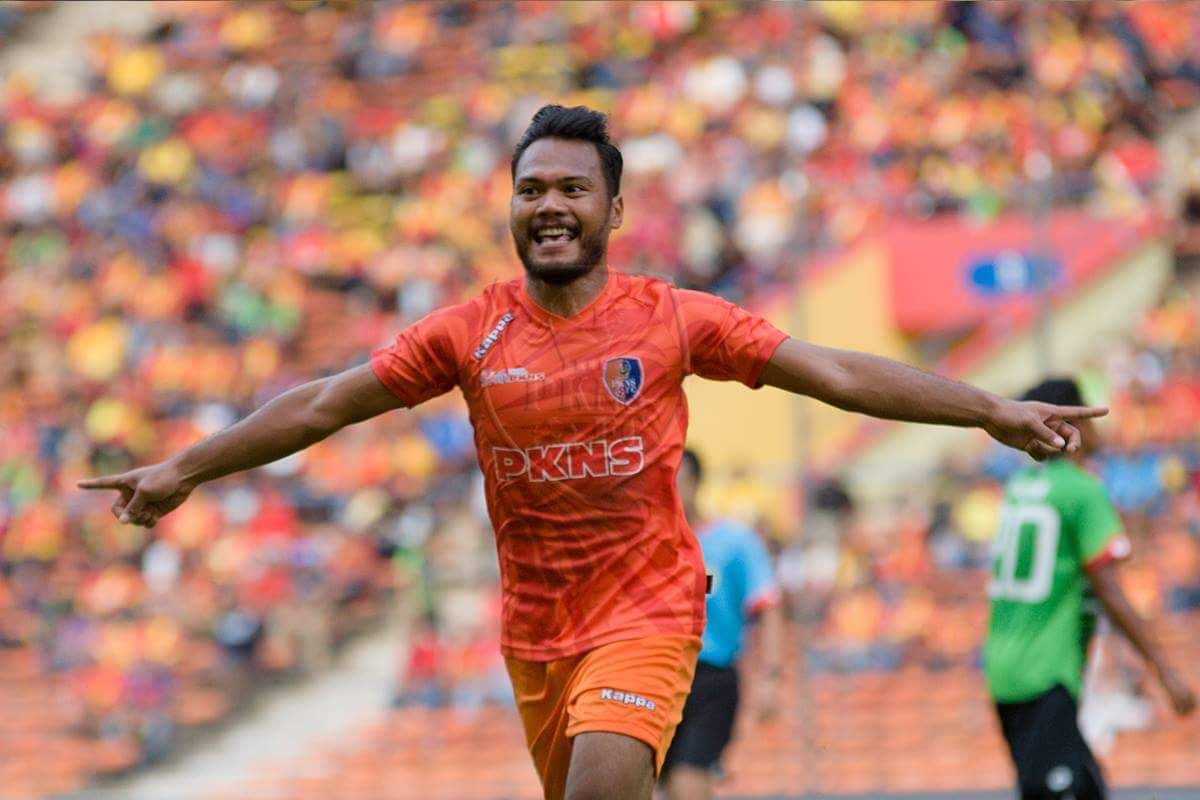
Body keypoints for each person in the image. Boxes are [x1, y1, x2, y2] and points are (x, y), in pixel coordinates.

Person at [81, 105, 1108, 800]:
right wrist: (183, 469)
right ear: (512, 208)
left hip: (652, 611)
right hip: (537, 633)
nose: (550, 206)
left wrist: (986, 408)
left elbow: (834, 372)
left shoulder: (670, 319)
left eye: (572, 189)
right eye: (532, 190)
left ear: (613, 210)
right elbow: (320, 405)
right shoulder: (467, 332)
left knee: (610, 779)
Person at [985, 377, 1196, 800]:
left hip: (1004, 667)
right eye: (1090, 415)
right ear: (1070, 421)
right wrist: (1164, 669)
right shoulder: (1080, 491)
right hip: (1045, 672)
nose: (1099, 428)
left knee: (1087, 786)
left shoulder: (1020, 488)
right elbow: (1110, 592)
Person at [660, 448, 783, 800]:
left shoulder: (735, 541)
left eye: (676, 480)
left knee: (689, 781)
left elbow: (768, 605)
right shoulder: (645, 543)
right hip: (654, 675)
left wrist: (771, 677)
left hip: (709, 677)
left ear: (696, 483)